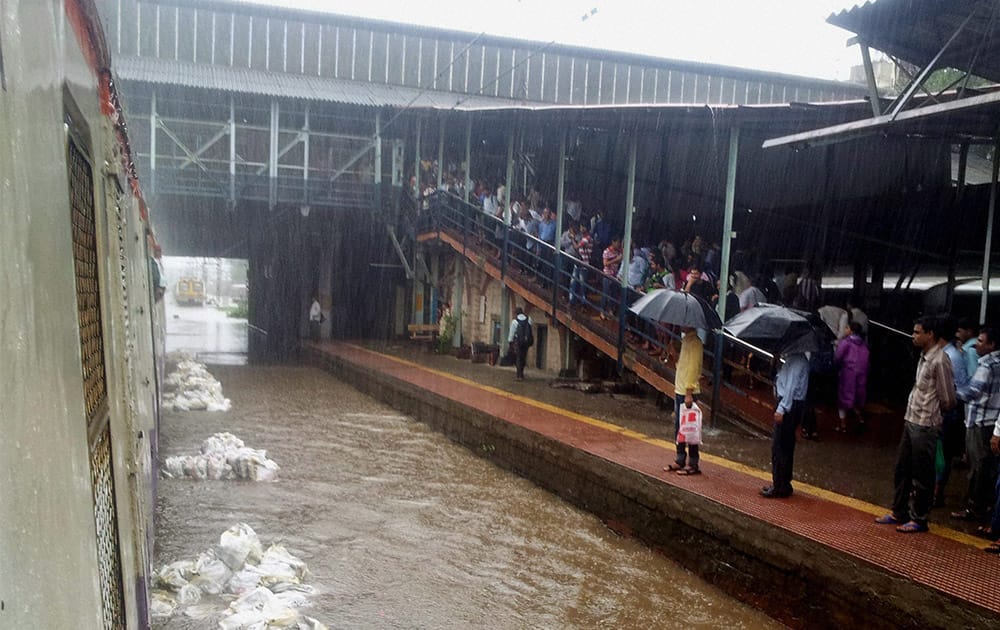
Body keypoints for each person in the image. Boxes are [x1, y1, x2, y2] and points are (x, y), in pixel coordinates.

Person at [877, 316, 956, 533]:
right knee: (902, 468)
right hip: (912, 418)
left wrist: (934, 410)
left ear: (930, 334)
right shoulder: (923, 357)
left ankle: (919, 518)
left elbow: (948, 398)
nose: (914, 336)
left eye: (918, 332)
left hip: (926, 423)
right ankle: (899, 510)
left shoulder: (940, 360)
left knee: (923, 473)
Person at [951, 326, 1000, 523]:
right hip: (992, 420)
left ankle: (974, 507)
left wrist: (951, 390)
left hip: (979, 420)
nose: (976, 345)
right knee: (986, 466)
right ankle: (984, 504)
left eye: (980, 341)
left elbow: (972, 392)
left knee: (977, 466)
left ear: (991, 345)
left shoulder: (987, 365)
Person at [761, 353, 810, 498]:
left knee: (780, 446)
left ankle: (779, 485)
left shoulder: (796, 361)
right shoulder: (797, 360)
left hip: (788, 405)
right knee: (787, 445)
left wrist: (782, 408)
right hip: (794, 405)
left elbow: (790, 387)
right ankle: (784, 483)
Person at [664, 327, 704, 475]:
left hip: (687, 392)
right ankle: (680, 458)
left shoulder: (695, 343)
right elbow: (683, 366)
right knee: (680, 428)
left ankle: (693, 462)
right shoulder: (686, 341)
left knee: (691, 429)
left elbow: (693, 368)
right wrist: (675, 357)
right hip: (679, 390)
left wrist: (689, 392)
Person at [834, 322, 870, 433]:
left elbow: (838, 357)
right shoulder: (864, 345)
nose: (845, 330)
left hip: (847, 375)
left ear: (850, 330)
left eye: (846, 328)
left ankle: (843, 425)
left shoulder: (845, 343)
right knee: (856, 400)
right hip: (861, 376)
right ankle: (860, 419)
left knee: (842, 400)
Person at [508, 307, 533, 380]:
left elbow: (511, 333)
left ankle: (519, 375)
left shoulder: (515, 321)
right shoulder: (529, 319)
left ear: (516, 313)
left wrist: (510, 342)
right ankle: (522, 372)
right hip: (526, 342)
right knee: (524, 356)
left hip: (518, 341)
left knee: (518, 357)